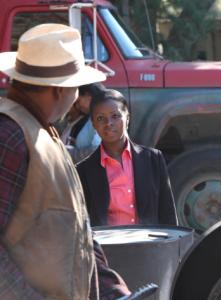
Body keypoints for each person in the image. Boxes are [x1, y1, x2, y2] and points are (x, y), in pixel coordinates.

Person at [0, 23, 130, 299]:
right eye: (75, 89)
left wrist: (113, 291)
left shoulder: (43, 131)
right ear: (59, 90)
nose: (75, 100)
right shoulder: (9, 136)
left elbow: (77, 232)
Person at [77, 88, 178, 226]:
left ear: (128, 118)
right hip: (107, 247)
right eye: (100, 118)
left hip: (149, 244)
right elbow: (84, 223)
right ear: (93, 124)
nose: (108, 124)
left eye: (115, 116)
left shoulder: (153, 160)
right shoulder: (84, 171)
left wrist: (170, 245)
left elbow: (168, 213)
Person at [61, 83, 103, 163]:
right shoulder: (89, 118)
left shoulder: (102, 117)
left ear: (89, 96)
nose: (78, 106)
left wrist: (69, 153)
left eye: (78, 101)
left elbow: (96, 150)